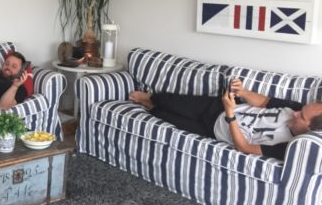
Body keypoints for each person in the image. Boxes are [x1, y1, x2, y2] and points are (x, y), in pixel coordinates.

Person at [129, 78, 322, 160]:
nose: (296, 112)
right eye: (301, 109)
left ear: (310, 130)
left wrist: (231, 115)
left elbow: (244, 147)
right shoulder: (295, 107)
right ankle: (147, 97)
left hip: (214, 131)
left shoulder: (288, 146)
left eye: (301, 116)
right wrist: (242, 92)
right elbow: (265, 102)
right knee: (168, 101)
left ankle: (150, 105)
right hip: (217, 108)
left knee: (164, 116)